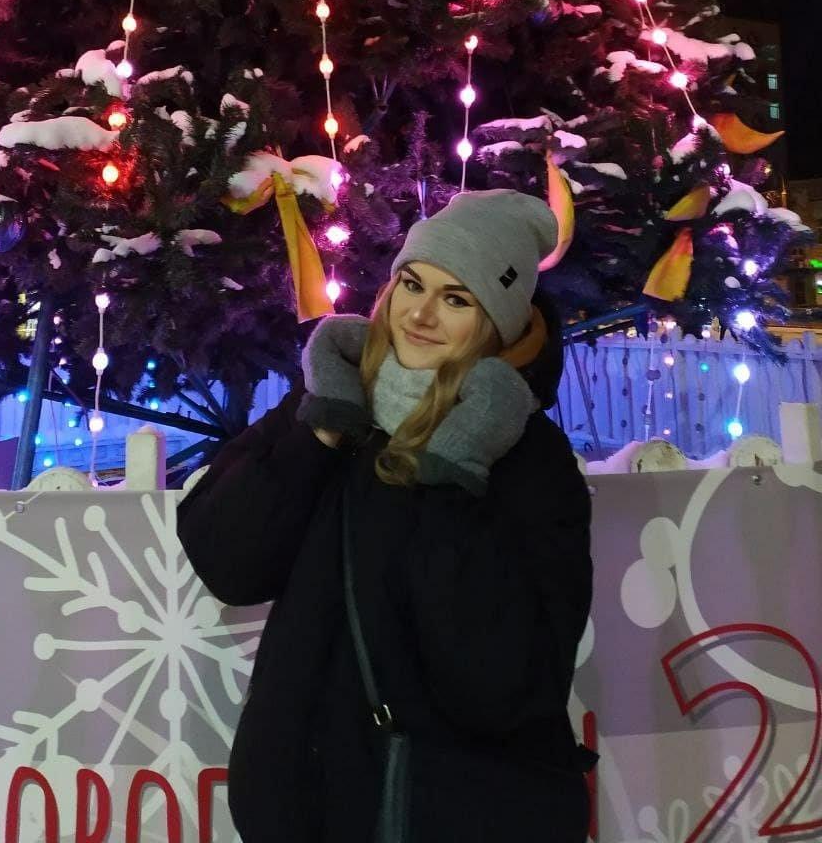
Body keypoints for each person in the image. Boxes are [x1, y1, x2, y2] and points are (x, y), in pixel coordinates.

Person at [177, 189, 596, 843]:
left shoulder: (527, 456)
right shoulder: (333, 402)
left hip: (440, 812)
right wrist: (318, 434)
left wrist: (453, 474)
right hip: (299, 806)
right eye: (412, 284)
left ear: (498, 322)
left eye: (457, 299)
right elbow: (228, 563)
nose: (421, 314)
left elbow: (508, 683)